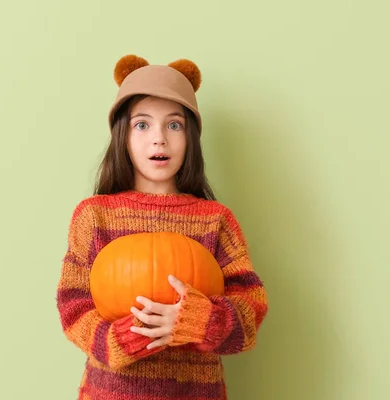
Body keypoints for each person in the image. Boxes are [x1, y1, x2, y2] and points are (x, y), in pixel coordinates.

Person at [56, 54, 269, 400]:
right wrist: (117, 341)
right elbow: (73, 305)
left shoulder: (216, 220)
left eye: (174, 125)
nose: (159, 139)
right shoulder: (94, 217)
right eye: (142, 124)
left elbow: (250, 313)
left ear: (190, 138)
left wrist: (202, 321)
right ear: (123, 135)